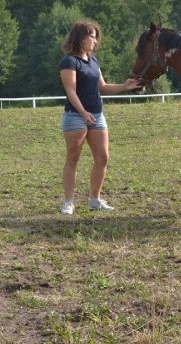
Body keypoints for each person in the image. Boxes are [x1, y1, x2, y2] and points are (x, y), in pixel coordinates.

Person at [59, 19, 141, 214]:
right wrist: (83, 113)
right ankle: (68, 202)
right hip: (75, 116)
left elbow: (102, 87)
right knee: (72, 158)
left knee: (103, 158)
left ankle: (94, 199)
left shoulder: (94, 61)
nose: (95, 42)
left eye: (96, 38)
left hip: (96, 115)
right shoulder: (69, 61)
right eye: (92, 37)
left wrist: (125, 86)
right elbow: (71, 91)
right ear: (81, 37)